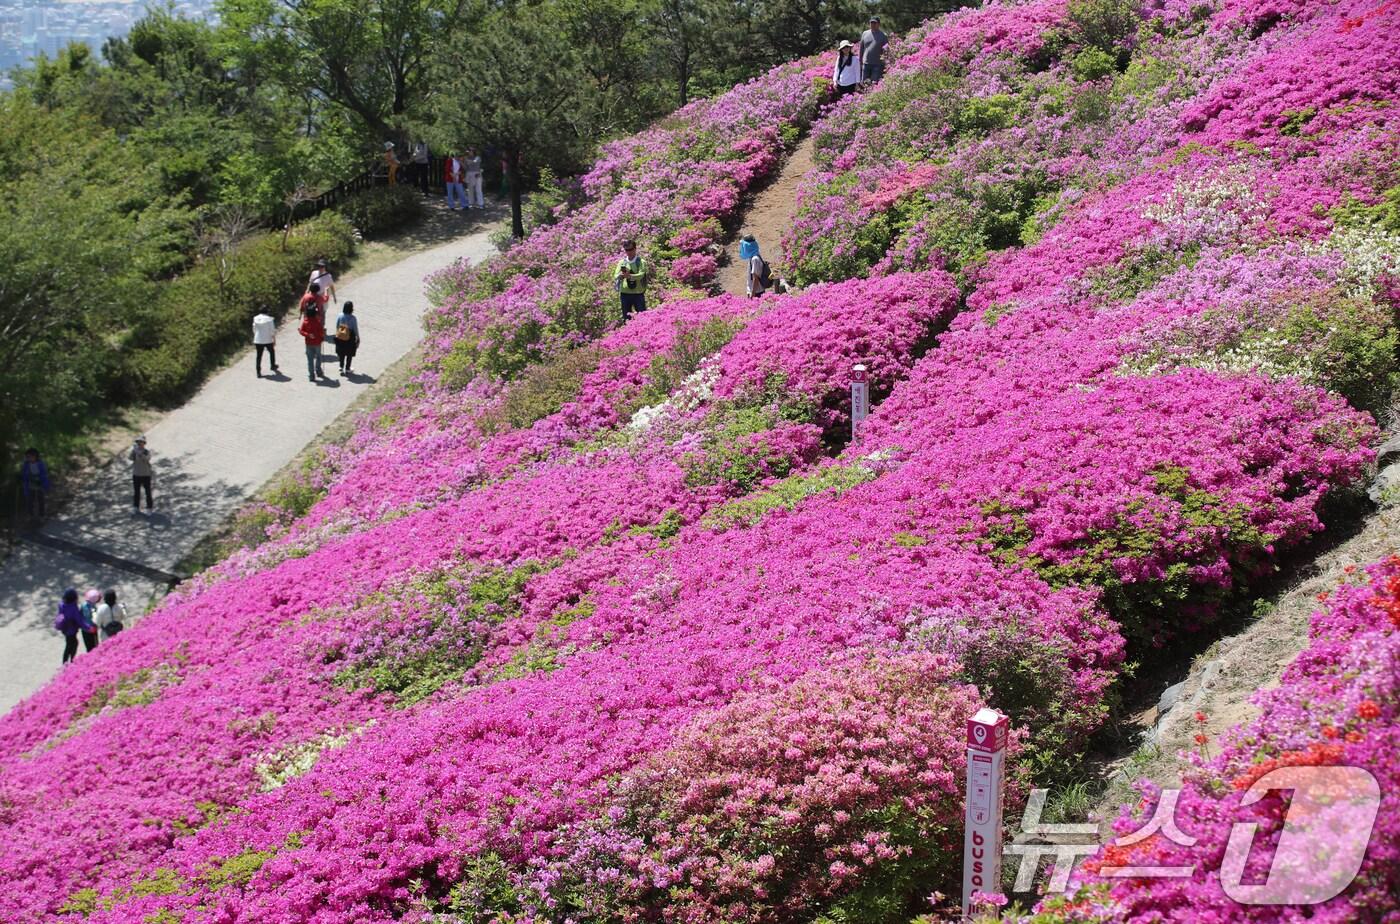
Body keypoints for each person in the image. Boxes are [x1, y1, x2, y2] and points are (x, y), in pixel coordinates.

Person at [613, 240, 651, 320]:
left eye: (630, 249)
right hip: (625, 294)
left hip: (638, 294)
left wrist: (630, 276)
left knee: (642, 317)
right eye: (627, 250)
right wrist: (621, 275)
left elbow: (641, 275)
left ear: (635, 249)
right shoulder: (622, 262)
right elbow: (616, 275)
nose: (628, 252)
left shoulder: (641, 262)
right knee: (627, 318)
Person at [300, 296, 327, 381]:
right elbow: (321, 332)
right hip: (317, 343)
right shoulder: (318, 322)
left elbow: (301, 331)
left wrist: (307, 335)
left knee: (310, 360)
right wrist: (322, 337)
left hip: (308, 343)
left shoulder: (305, 322)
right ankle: (318, 371)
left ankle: (311, 375)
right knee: (319, 357)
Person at [19, 447, 50, 521]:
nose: (28, 458)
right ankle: (30, 515)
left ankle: (42, 515)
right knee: (30, 501)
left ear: (35, 456)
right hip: (30, 485)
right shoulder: (26, 464)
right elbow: (24, 474)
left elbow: (44, 474)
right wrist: (20, 478)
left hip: (40, 485)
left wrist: (44, 484)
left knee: (41, 501)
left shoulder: (41, 464)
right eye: (27, 457)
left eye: (30, 456)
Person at [56, 588, 83, 664]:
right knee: (73, 644)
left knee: (68, 645)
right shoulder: (73, 608)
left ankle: (65, 662)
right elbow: (79, 621)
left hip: (65, 629)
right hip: (71, 630)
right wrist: (88, 627)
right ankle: (72, 661)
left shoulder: (61, 604)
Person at [333, 301, 361, 375]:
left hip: (341, 334)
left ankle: (341, 367)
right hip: (350, 336)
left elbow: (337, 326)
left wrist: (337, 333)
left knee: (341, 352)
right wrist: (358, 337)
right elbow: (355, 329)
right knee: (349, 353)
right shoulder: (353, 318)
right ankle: (347, 368)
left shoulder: (340, 315)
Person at [861, 17, 889, 84]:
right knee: (864, 83)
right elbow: (861, 48)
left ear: (878, 24)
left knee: (874, 83)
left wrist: (885, 63)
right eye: (871, 23)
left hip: (877, 64)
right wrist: (860, 60)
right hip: (866, 63)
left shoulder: (883, 35)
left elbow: (886, 50)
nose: (873, 24)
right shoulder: (865, 33)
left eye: (875, 23)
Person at [252, 310, 279, 378]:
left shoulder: (255, 318)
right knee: (271, 352)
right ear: (267, 312)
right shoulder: (269, 319)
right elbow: (272, 330)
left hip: (258, 339)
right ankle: (272, 365)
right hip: (267, 339)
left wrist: (256, 335)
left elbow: (254, 328)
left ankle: (258, 372)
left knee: (259, 356)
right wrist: (274, 339)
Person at [130, 436, 153, 513]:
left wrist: (140, 453)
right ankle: (136, 507)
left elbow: (146, 459)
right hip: (136, 474)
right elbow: (130, 458)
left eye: (141, 442)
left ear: (144, 443)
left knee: (148, 492)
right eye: (138, 442)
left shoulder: (147, 452)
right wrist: (133, 451)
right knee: (136, 492)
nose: (139, 443)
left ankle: (149, 508)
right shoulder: (134, 451)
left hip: (146, 475)